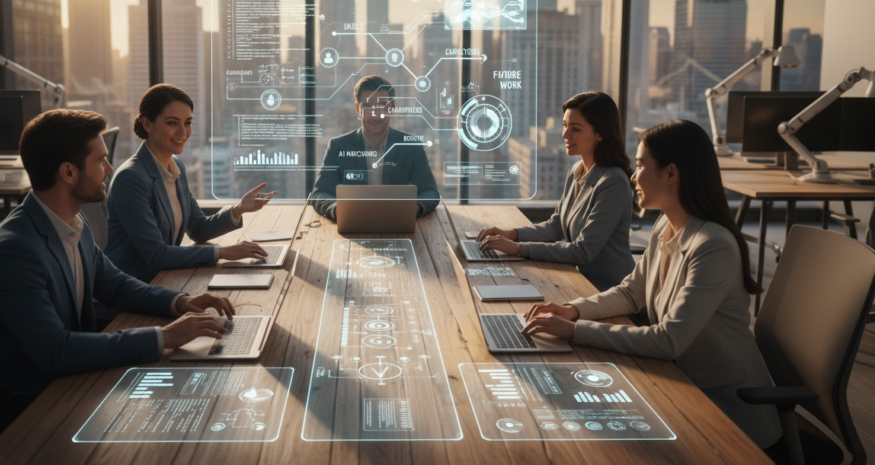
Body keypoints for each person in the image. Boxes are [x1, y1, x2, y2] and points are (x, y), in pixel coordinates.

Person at [0, 109, 236, 457]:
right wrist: (165, 337)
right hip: (22, 407)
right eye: (101, 161)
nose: (109, 170)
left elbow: (115, 285)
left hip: (71, 383)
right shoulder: (14, 251)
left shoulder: (71, 222)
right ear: (68, 172)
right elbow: (55, 351)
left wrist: (180, 302)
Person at [520, 120, 781, 450]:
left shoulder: (712, 245)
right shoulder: (666, 225)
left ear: (671, 173)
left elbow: (669, 340)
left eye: (641, 165)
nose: (632, 176)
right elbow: (632, 292)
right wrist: (572, 310)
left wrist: (575, 330)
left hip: (727, 413)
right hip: (680, 383)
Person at [106, 84, 276, 286]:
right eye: (172, 123)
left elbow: (198, 228)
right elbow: (156, 255)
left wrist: (238, 209)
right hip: (134, 290)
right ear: (148, 124)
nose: (183, 132)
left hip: (167, 279)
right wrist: (223, 252)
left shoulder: (175, 166)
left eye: (187, 123)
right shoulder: (131, 178)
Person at [477, 91, 634, 292]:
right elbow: (556, 226)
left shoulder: (613, 182)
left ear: (601, 133)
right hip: (576, 281)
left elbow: (583, 251)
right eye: (565, 125)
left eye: (575, 129)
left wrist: (517, 248)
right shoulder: (576, 170)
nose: (565, 135)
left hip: (607, 290)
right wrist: (512, 235)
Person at [309, 74, 439, 220]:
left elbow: (430, 192)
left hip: (398, 224)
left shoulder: (412, 147)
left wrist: (413, 208)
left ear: (392, 107)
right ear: (357, 109)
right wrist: (338, 210)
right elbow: (320, 193)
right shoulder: (338, 146)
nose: (375, 114)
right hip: (353, 226)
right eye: (367, 106)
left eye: (382, 106)